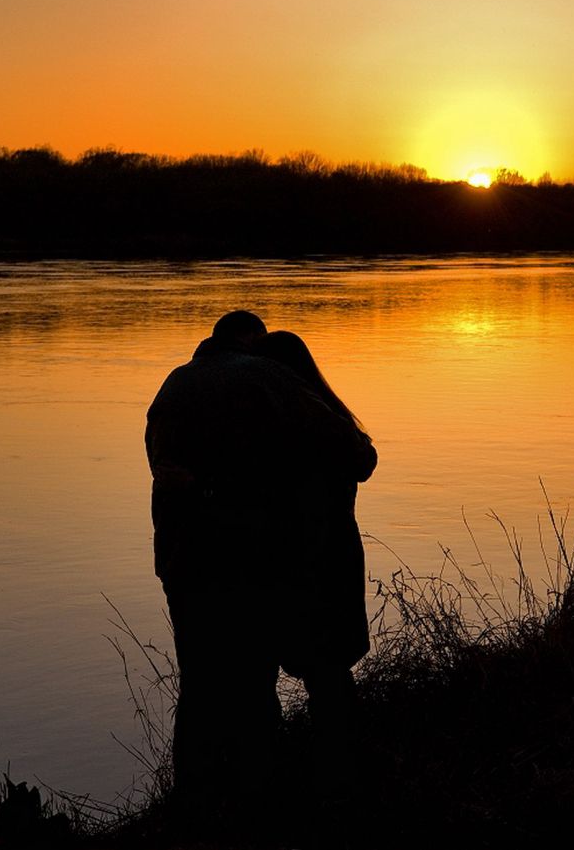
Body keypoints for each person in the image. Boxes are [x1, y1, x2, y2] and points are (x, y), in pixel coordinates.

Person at [144, 311, 376, 820]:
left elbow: (162, 473)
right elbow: (355, 457)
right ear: (251, 340)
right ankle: (263, 803)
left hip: (182, 565)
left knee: (200, 688)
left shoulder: (173, 386)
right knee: (256, 686)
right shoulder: (266, 379)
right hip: (249, 559)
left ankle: (195, 808)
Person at [254, 331, 377, 803]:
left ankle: (335, 777)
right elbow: (364, 460)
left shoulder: (292, 416)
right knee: (328, 667)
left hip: (306, 556)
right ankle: (340, 770)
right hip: (334, 553)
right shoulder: (325, 411)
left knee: (321, 667)